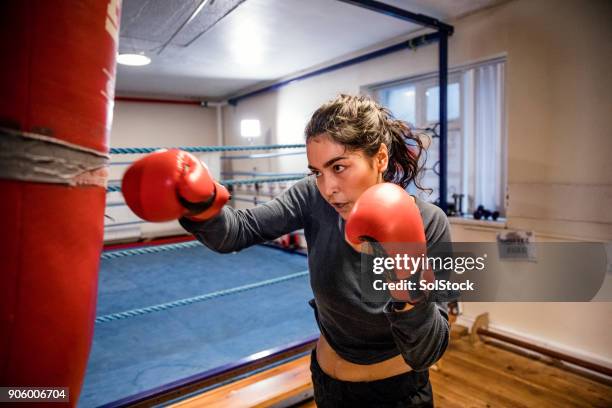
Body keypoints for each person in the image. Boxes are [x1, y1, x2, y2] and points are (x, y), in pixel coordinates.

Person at [122, 94, 452, 407]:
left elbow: (429, 352)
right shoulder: (314, 197)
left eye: (339, 167)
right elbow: (235, 233)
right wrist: (200, 204)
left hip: (396, 397)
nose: (329, 188)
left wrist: (408, 281)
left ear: (379, 158)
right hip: (327, 384)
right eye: (317, 172)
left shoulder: (430, 222)